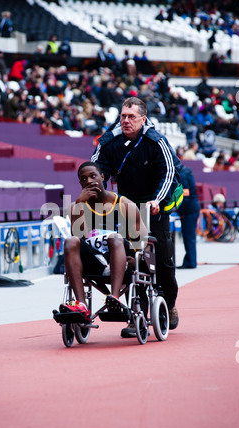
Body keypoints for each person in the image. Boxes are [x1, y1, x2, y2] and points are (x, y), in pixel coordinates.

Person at [91, 96, 181, 336]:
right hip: (128, 208)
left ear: (143, 118)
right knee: (132, 260)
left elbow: (169, 172)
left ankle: (169, 304)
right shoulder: (110, 140)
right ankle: (136, 314)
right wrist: (97, 187)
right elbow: (95, 168)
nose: (126, 121)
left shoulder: (156, 141)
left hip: (155, 207)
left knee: (162, 264)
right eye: (123, 116)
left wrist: (157, 200)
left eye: (131, 117)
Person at [59, 161, 148, 319]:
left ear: (102, 177)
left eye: (93, 176)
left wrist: (138, 259)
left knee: (114, 237)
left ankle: (114, 297)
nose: (89, 181)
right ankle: (81, 306)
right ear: (80, 183)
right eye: (84, 179)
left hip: (122, 257)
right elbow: (78, 238)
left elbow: (141, 239)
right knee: (70, 241)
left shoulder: (125, 204)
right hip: (95, 261)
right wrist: (80, 204)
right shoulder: (76, 206)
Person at [176, 165, 200, 269]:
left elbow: (184, 195)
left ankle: (190, 262)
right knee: (189, 237)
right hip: (192, 208)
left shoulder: (182, 175)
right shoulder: (185, 172)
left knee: (188, 237)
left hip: (189, 210)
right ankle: (190, 260)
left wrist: (182, 211)